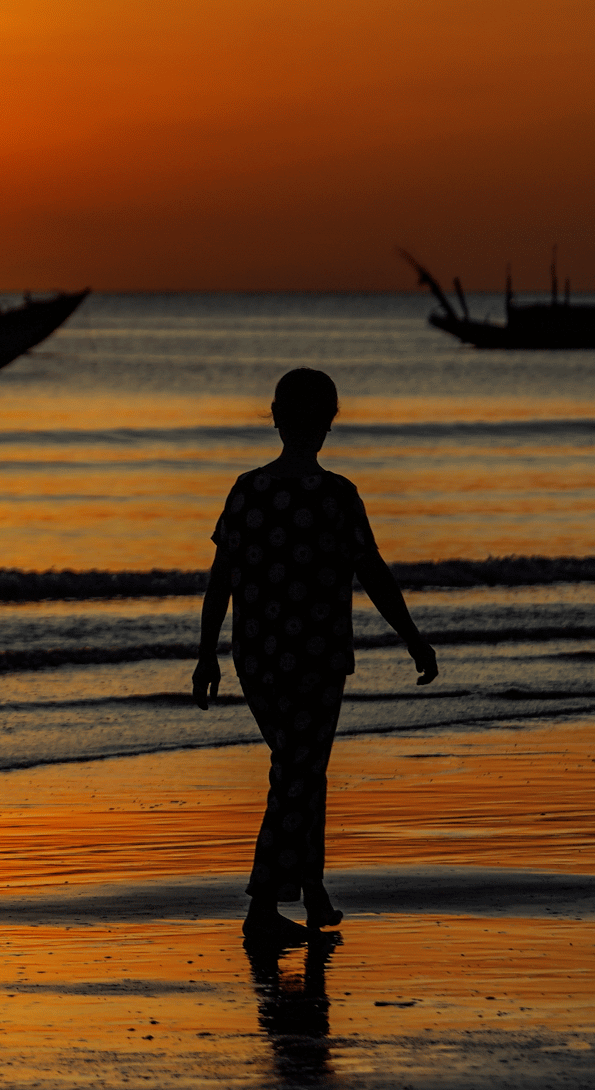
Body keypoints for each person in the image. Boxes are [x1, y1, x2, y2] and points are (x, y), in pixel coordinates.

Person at [193, 368, 439, 941]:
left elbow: (219, 580)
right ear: (329, 421)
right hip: (318, 660)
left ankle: (313, 893)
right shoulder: (337, 496)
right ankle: (263, 907)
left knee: (302, 771)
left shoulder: (247, 489)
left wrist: (208, 654)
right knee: (299, 772)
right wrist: (412, 636)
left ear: (276, 417)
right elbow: (373, 574)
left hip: (258, 660)